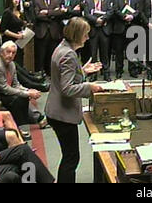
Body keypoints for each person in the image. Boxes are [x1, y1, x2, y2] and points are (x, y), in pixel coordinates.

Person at [45, 17, 103, 183]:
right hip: (62, 114)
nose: (87, 38)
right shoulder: (69, 55)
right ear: (77, 35)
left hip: (56, 110)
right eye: (85, 34)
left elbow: (65, 76)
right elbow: (67, 89)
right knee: (71, 158)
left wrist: (83, 71)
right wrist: (89, 86)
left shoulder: (63, 47)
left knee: (69, 156)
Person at [0, 41, 46, 129]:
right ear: (1, 52)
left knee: (22, 96)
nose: (10, 55)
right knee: (17, 99)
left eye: (13, 53)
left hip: (0, 92)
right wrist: (27, 93)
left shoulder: (11, 64)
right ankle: (20, 126)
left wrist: (27, 90)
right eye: (8, 52)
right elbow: (5, 88)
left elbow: (15, 84)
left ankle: (29, 121)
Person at [0, 0, 26, 66]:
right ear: (9, 0)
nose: (16, 0)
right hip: (9, 41)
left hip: (19, 42)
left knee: (20, 62)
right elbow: (3, 29)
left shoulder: (20, 12)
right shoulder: (7, 12)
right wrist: (16, 36)